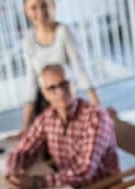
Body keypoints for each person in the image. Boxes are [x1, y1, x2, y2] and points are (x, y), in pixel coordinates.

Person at [6, 63, 119, 189]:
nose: (60, 92)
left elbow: (85, 172)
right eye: (52, 88)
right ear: (44, 94)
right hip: (67, 188)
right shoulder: (47, 117)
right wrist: (14, 174)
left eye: (65, 84)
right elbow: (23, 150)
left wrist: (37, 182)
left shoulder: (96, 117)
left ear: (74, 84)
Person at [21, 0, 100, 132]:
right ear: (26, 11)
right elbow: (31, 82)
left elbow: (80, 68)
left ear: (53, 6)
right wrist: (25, 126)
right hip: (43, 103)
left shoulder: (64, 32)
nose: (40, 12)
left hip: (64, 98)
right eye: (33, 8)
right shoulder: (28, 40)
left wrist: (98, 109)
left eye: (44, 6)